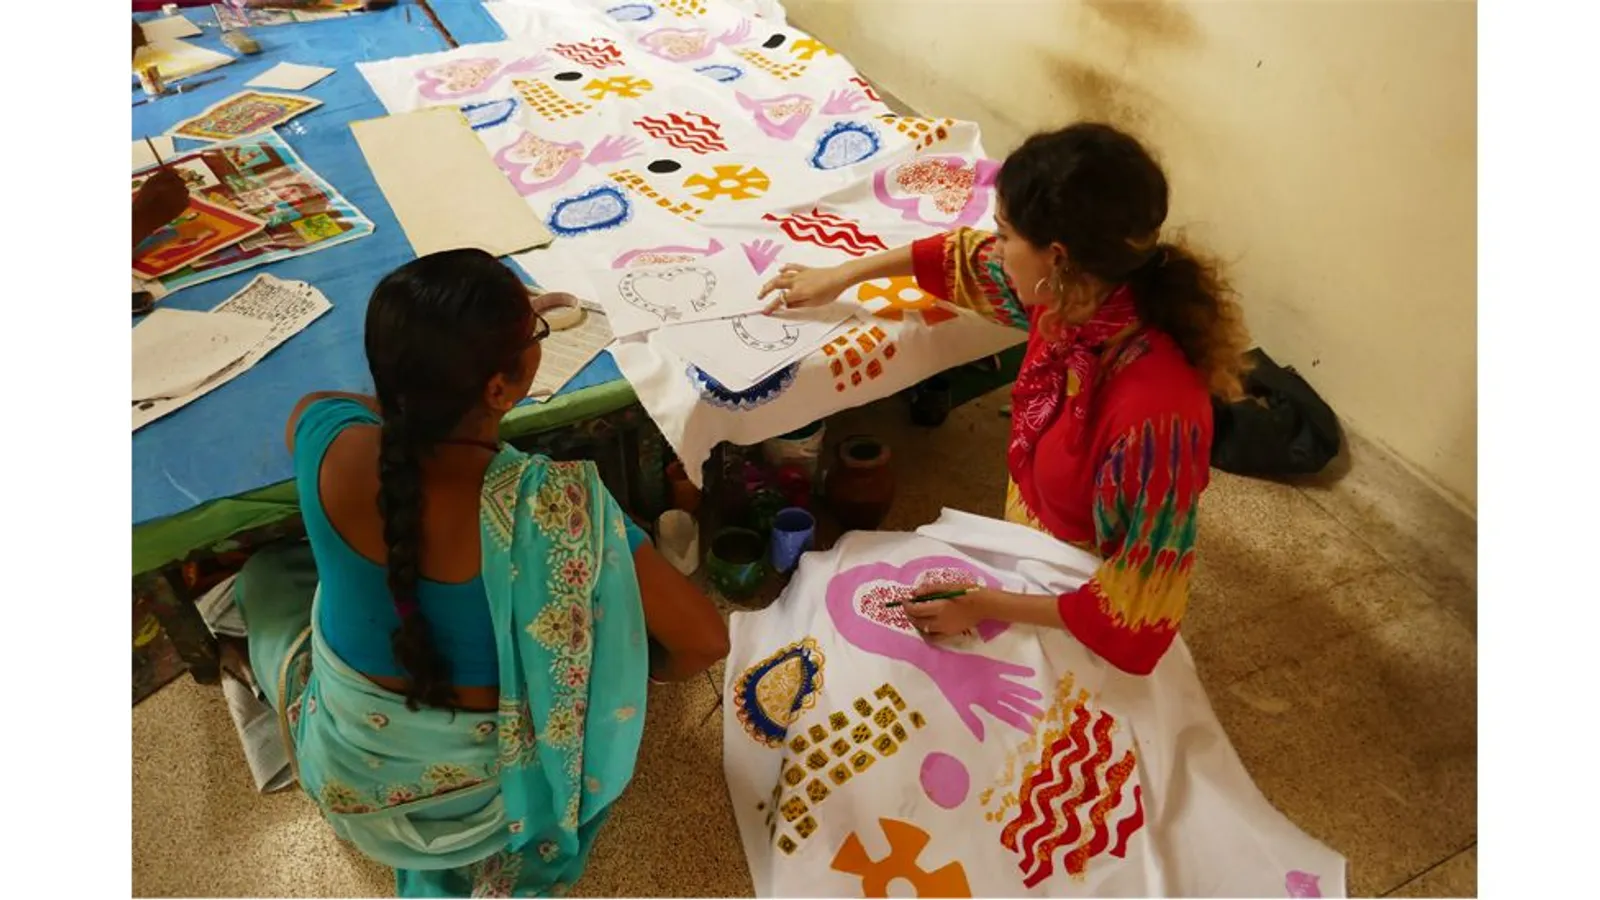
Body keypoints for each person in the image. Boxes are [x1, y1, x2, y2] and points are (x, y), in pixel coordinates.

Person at [229, 248, 729, 896]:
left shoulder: (332, 442)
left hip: (353, 777)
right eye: (535, 335)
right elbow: (704, 642)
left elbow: (316, 408)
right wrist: (622, 662)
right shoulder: (558, 508)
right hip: (497, 805)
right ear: (501, 386)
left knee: (266, 579)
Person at [760, 122, 1250, 676]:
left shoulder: (1153, 416)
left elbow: (1135, 608)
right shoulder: (1077, 299)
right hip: (1026, 545)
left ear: (1058, 258)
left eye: (1004, 234)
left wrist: (983, 604)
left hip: (1075, 597)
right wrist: (843, 274)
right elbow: (961, 259)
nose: (994, 247)